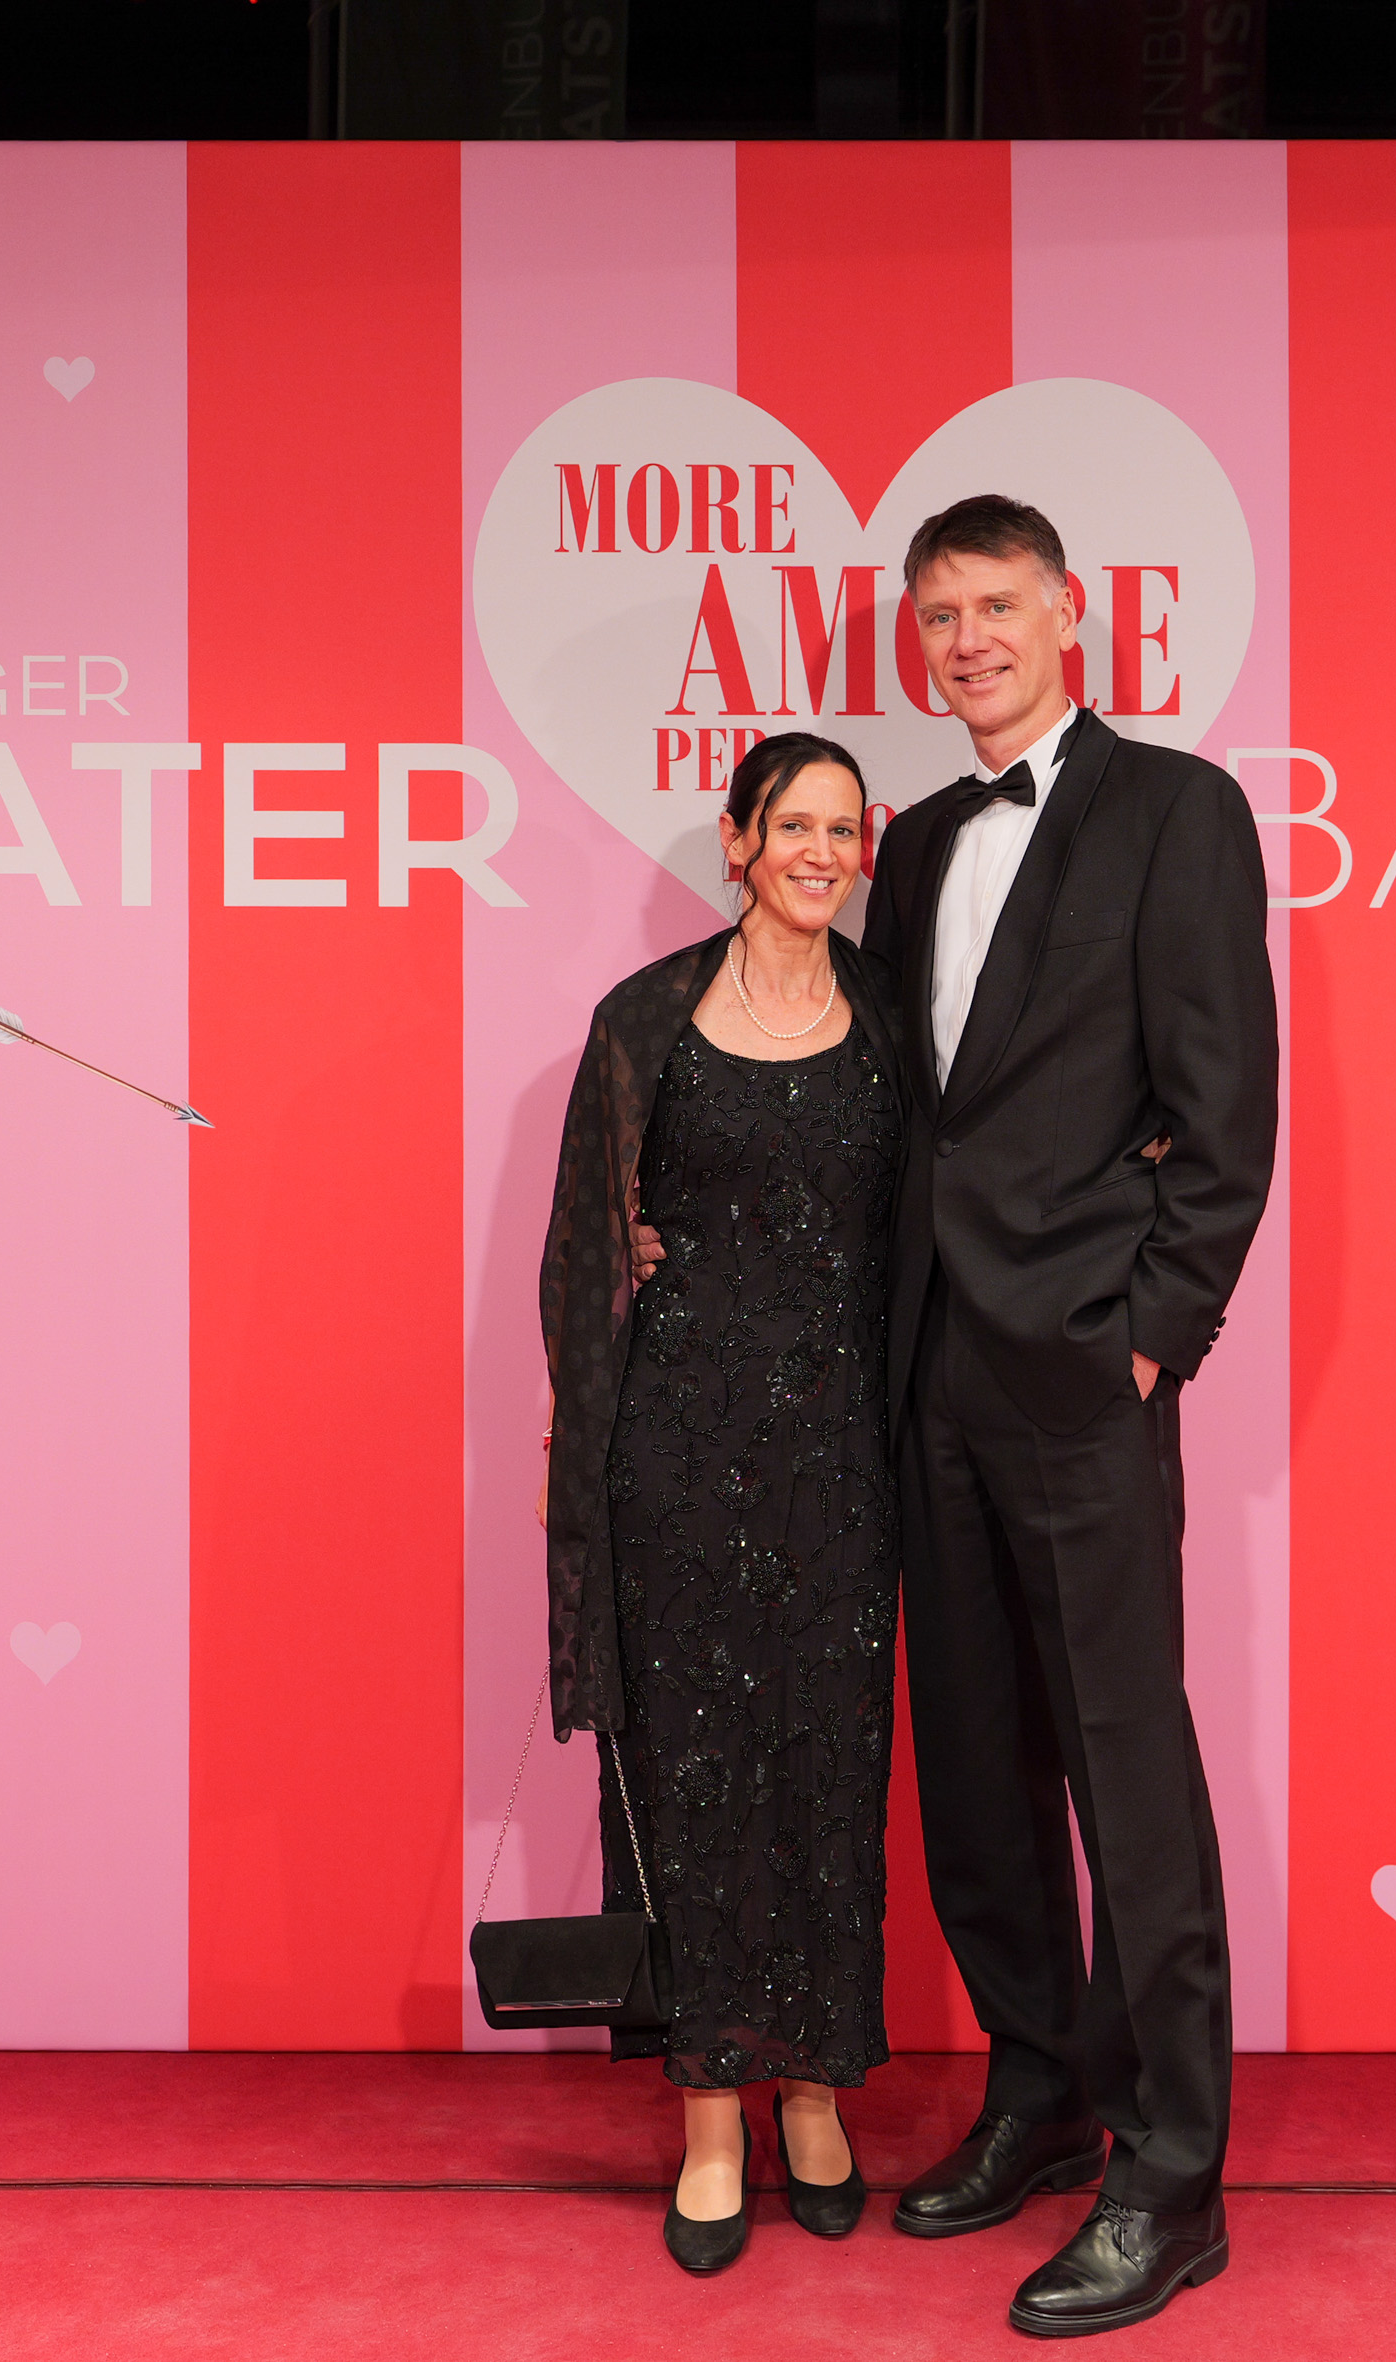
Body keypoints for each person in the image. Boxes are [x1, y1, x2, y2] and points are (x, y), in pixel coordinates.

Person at [864, 495, 1277, 2337]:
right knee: (973, 1761)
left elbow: (1226, 1099)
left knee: (1125, 1767)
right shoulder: (916, 841)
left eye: (993, 606)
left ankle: (1170, 2170)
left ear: (1066, 617)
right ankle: (1033, 2089)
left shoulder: (1175, 810)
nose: (965, 639)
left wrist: (1151, 1337)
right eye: (936, 615)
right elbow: (908, 1112)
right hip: (925, 1369)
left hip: (1080, 1365)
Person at [537, 733, 909, 2276]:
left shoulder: (894, 1021)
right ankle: (707, 2115)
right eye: (791, 824)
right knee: (690, 1788)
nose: (819, 852)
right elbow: (579, 1261)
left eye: (842, 829)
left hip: (844, 1466)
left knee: (826, 1774)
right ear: (736, 838)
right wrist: (582, 1470)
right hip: (675, 1465)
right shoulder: (643, 1019)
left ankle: (812, 2090)